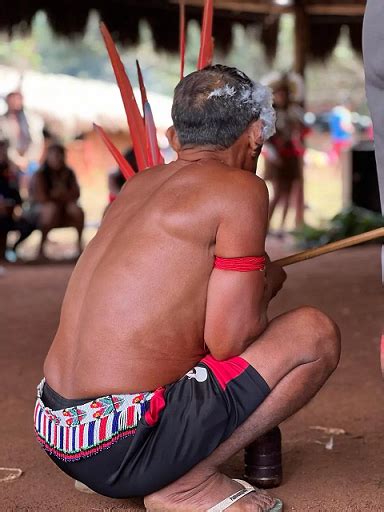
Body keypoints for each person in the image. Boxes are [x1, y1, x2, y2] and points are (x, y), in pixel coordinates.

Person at [34, 65, 340, 511]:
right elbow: (229, 341)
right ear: (256, 133)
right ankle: (185, 485)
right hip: (121, 445)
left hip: (61, 430)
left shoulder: (139, 184)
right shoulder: (240, 189)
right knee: (314, 333)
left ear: (174, 137)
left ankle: (166, 464)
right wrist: (262, 284)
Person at [263, 77, 306, 233]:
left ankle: (281, 227)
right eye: (279, 94)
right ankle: (266, 226)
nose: (282, 97)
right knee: (278, 192)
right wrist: (274, 155)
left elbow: (302, 129)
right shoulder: (270, 114)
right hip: (277, 158)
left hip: (290, 157)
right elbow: (266, 138)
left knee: (289, 192)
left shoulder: (293, 112)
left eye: (284, 94)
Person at [29, 143, 84, 258]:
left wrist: (61, 196)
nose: (58, 158)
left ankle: (80, 247)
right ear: (48, 156)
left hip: (63, 207)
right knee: (50, 209)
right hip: (40, 209)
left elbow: (76, 193)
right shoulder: (41, 174)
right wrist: (58, 196)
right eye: (55, 155)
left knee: (76, 210)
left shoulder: (69, 173)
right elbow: (41, 197)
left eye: (60, 155)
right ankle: (41, 250)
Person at [0, 91, 44, 174]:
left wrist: (27, 160)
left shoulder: (31, 119)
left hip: (30, 160)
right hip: (8, 162)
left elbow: (37, 141)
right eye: (13, 99)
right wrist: (16, 159)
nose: (15, 102)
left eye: (18, 99)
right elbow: (4, 144)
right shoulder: (2, 121)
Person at [0, 139, 22, 260]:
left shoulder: (10, 173)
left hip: (8, 213)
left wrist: (13, 207)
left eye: (4, 151)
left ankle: (7, 252)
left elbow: (18, 198)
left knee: (27, 223)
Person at [328, 99, 354, 164]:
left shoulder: (334, 112)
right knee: (345, 158)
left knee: (336, 156)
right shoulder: (345, 112)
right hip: (344, 138)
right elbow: (344, 125)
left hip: (335, 137)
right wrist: (352, 130)